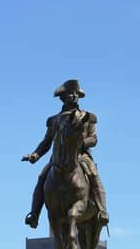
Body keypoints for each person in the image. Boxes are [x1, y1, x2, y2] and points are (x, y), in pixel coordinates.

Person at [22, 79, 108, 228]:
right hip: (58, 158)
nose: (74, 96)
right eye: (71, 93)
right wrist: (35, 155)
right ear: (62, 97)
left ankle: (102, 211)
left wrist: (81, 143)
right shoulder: (54, 120)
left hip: (81, 156)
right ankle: (34, 213)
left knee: (93, 173)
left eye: (76, 93)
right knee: (42, 177)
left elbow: (94, 139)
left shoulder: (87, 117)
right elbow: (47, 141)